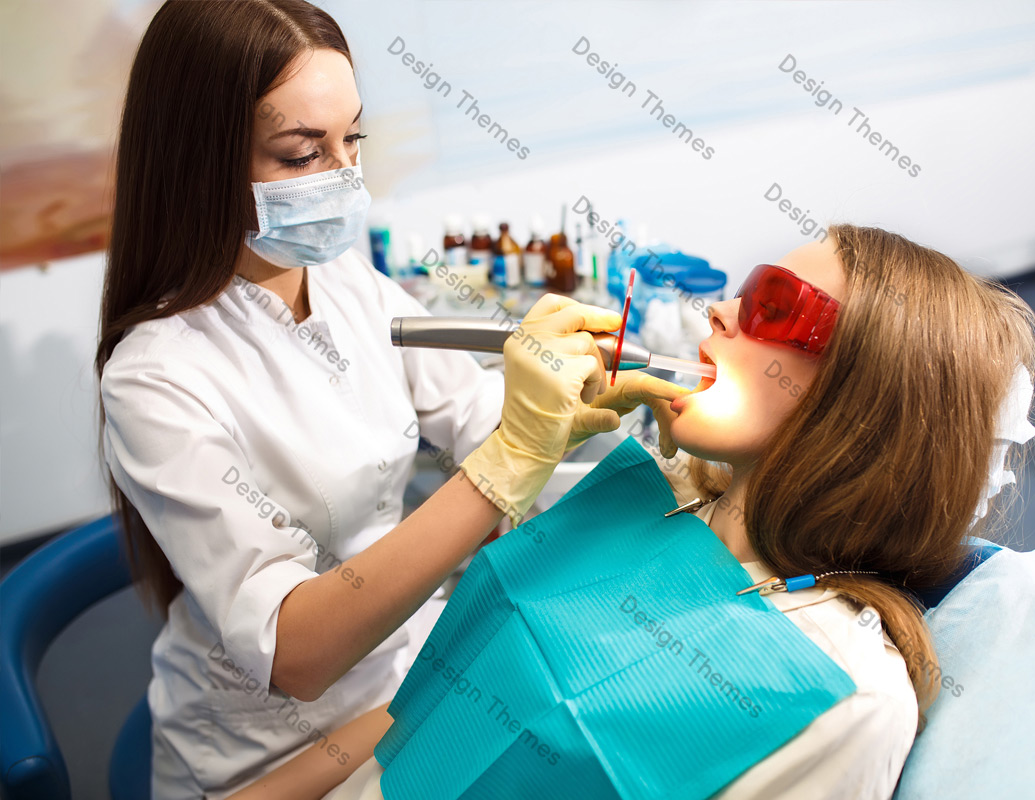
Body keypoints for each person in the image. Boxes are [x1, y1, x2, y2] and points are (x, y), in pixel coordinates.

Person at [95, 2, 684, 797]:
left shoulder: (341, 279)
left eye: (352, 142)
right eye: (303, 155)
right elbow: (291, 652)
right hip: (269, 750)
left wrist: (654, 476)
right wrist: (507, 463)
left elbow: (478, 418)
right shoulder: (156, 377)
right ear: (202, 163)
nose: (343, 178)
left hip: (403, 674)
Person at [246, 224, 1035, 799]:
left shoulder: (844, 695)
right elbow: (432, 703)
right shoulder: (649, 498)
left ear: (869, 400)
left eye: (773, 304)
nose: (721, 311)